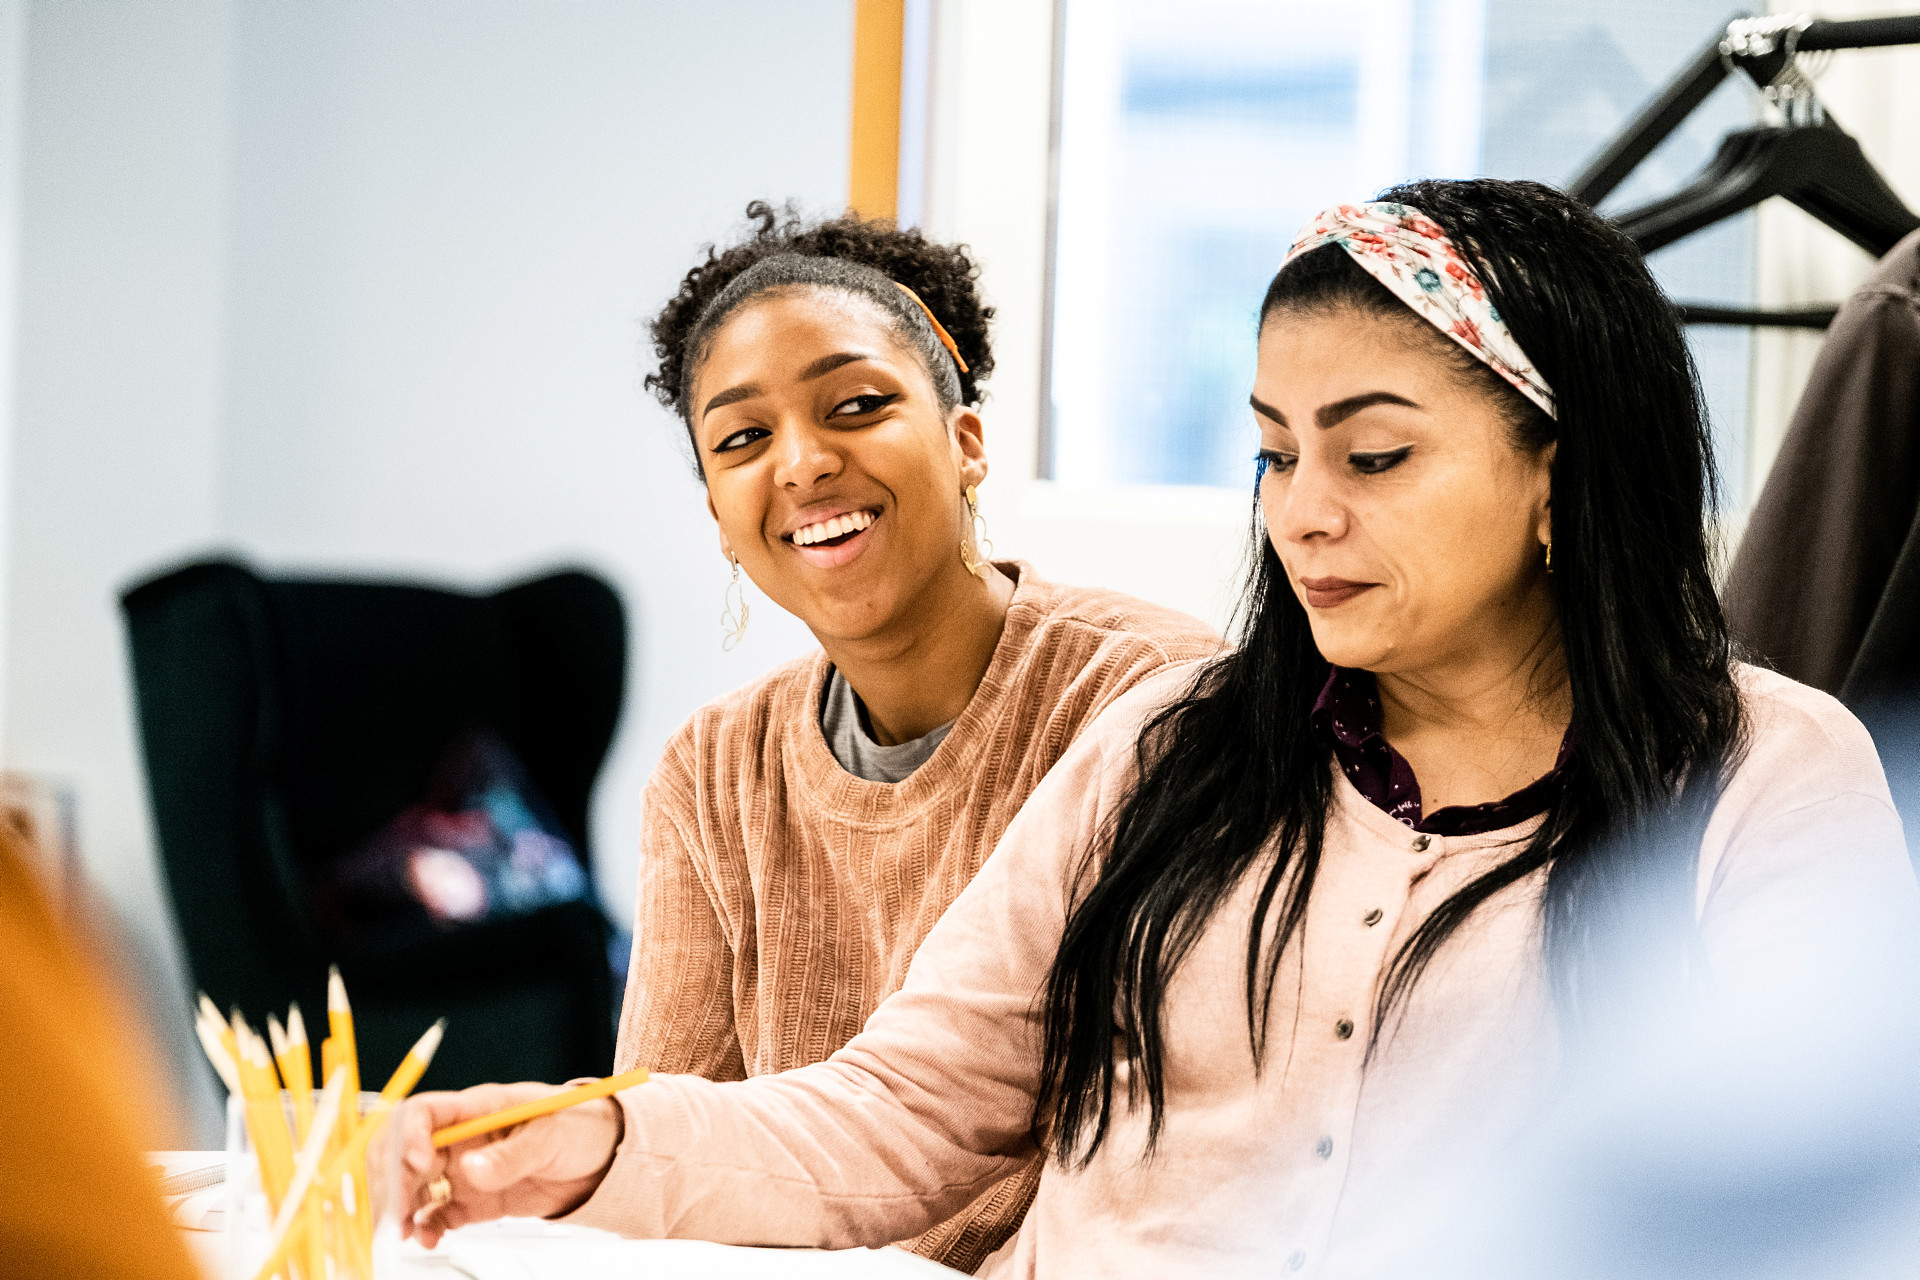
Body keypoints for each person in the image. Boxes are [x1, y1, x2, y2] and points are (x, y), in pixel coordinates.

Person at [397, 180, 1920, 1277]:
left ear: (1559, 474)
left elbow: (1803, 1221)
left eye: (1375, 456)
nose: (1303, 514)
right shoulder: (1172, 746)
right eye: (1275, 455)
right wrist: (588, 1143)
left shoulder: (1767, 780)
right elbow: (902, 1108)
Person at [574, 204, 1219, 1270]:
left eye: (858, 406)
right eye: (742, 439)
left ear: (966, 442)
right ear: (719, 517)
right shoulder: (712, 770)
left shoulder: (1146, 697)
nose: (802, 463)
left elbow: (1172, 1159)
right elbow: (666, 1158)